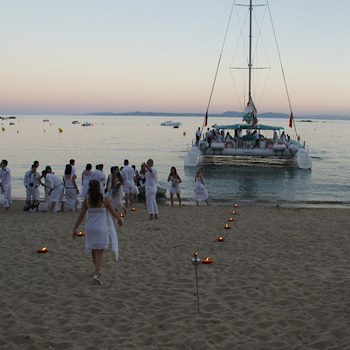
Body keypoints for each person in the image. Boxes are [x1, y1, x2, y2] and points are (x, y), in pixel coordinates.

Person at [72, 180, 123, 285]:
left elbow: (81, 216)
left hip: (90, 228)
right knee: (100, 251)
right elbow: (113, 212)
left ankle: (97, 270)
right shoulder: (104, 200)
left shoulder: (87, 201)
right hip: (101, 228)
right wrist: (119, 219)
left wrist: (75, 228)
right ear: (100, 188)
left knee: (94, 249)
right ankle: (96, 275)